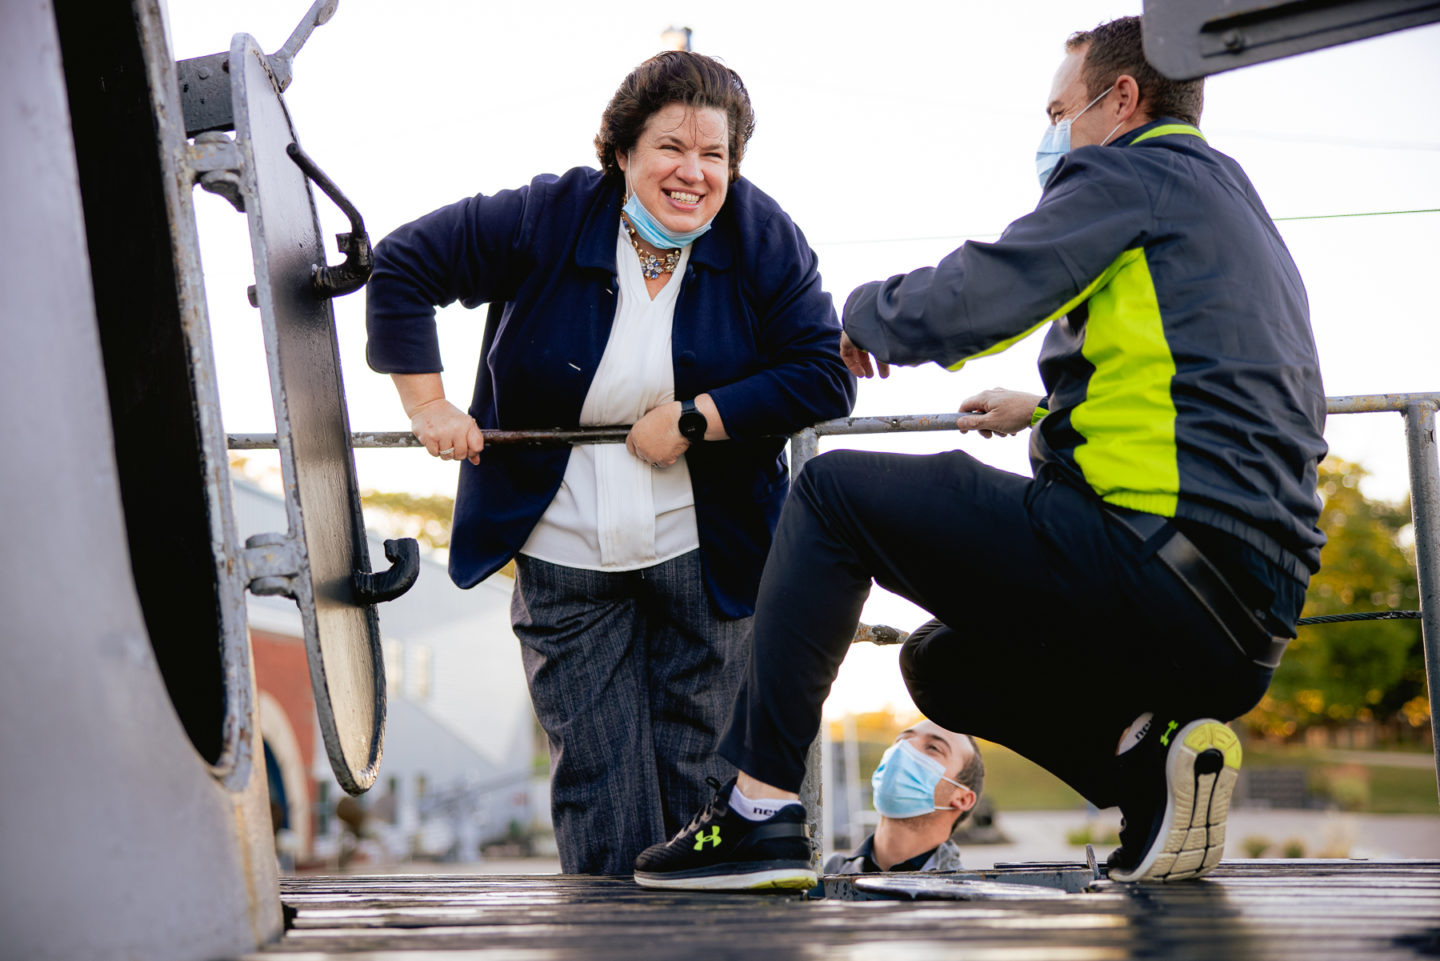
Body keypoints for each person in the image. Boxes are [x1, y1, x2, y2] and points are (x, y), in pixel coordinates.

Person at [633, 15, 1326, 891]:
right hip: (1244, 623)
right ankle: (1148, 777)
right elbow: (1209, 400)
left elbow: (978, 296)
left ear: (1121, 100)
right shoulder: (1233, 209)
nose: (1053, 134)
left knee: (832, 493)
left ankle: (758, 810)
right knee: (940, 663)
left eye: (1059, 109)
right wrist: (1048, 412)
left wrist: (859, 318)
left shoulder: (1135, 169)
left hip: (1154, 563)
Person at [364, 51, 856, 875]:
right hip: (563, 552)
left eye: (715, 155)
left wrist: (701, 418)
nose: (693, 173)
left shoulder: (762, 234)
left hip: (708, 549)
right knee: (599, 791)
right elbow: (404, 264)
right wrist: (429, 406)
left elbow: (823, 371)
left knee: (707, 788)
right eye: (670, 148)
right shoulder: (548, 215)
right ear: (622, 151)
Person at [824, 721, 984, 875]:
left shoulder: (962, 896)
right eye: (901, 740)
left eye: (933, 748)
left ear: (963, 799)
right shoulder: (825, 879)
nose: (904, 748)